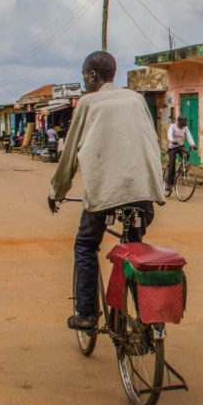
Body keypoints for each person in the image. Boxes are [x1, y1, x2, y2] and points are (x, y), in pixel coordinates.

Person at [48, 51, 165, 331]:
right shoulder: (137, 100)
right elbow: (151, 141)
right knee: (135, 249)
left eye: (84, 77)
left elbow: (70, 155)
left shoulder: (88, 103)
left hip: (104, 195)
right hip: (142, 194)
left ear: (91, 75)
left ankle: (87, 313)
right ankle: (148, 320)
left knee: (86, 246)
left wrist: (58, 191)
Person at [165, 115, 196, 191]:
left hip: (180, 146)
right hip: (172, 147)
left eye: (186, 120)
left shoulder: (185, 128)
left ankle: (183, 167)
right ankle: (168, 183)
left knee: (187, 154)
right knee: (171, 165)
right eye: (184, 121)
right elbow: (169, 134)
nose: (185, 122)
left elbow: (189, 137)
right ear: (178, 121)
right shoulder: (173, 126)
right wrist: (172, 140)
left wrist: (193, 145)